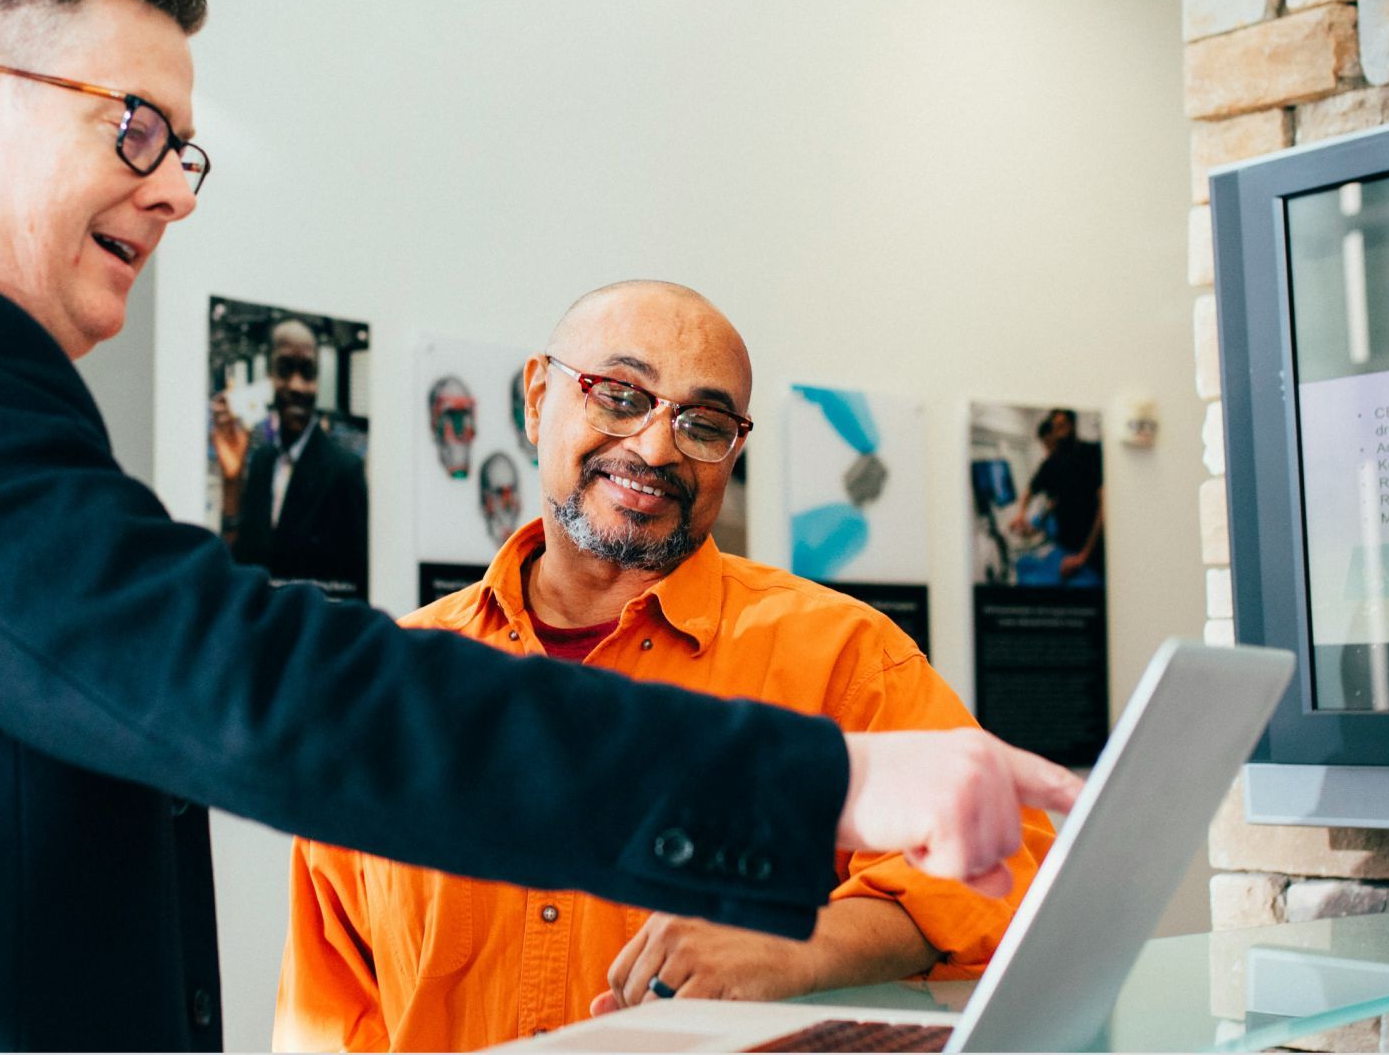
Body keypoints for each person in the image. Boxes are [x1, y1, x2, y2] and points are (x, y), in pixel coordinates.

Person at [0, 0, 1081, 1051]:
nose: (172, 187)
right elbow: (244, 687)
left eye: (187, 148)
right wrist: (817, 786)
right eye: (134, 127)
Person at [274, 283, 1060, 1052]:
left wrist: (802, 943)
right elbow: (331, 1012)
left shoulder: (842, 655)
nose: (655, 449)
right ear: (537, 396)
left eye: (704, 422)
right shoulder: (391, 687)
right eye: (620, 395)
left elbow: (1010, 876)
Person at [210, 318, 369, 598]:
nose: (296, 386)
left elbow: (354, 590)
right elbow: (241, 564)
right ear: (270, 375)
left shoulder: (345, 472)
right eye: (284, 370)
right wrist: (232, 482)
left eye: (307, 373)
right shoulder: (261, 461)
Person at [1010, 408, 1106, 585]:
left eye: (1063, 425)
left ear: (1073, 425)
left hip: (1093, 549)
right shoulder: (1051, 464)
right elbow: (1031, 491)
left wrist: (1084, 555)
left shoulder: (1091, 453)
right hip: (1065, 546)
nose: (1060, 432)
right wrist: (1021, 515)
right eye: (1056, 427)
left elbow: (1104, 506)